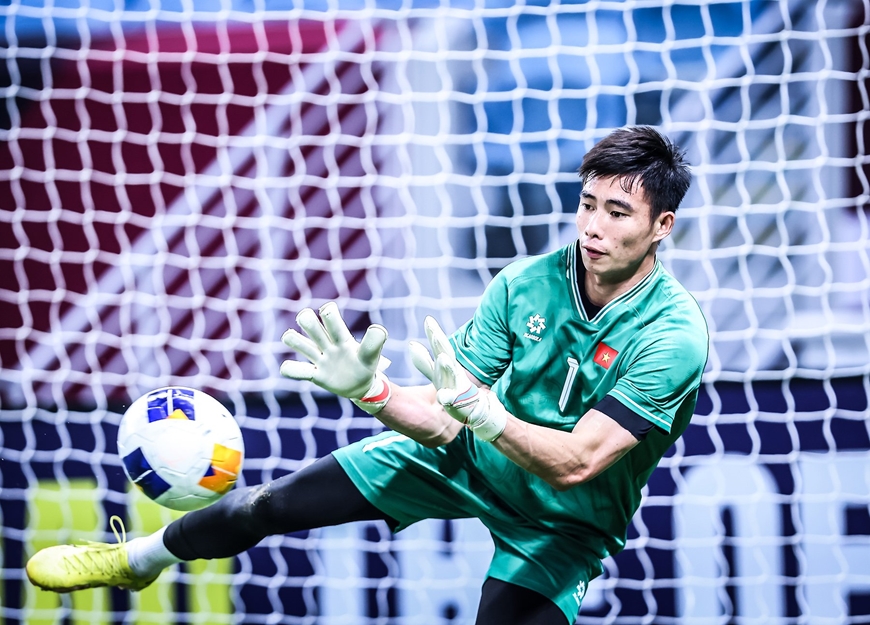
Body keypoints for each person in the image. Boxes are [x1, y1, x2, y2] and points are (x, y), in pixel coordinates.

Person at [26, 125, 708, 625]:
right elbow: (440, 420)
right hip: (467, 456)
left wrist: (485, 414)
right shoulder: (524, 284)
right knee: (265, 505)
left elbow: (578, 463)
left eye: (617, 213)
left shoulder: (673, 335)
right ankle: (137, 560)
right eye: (587, 203)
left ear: (661, 226)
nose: (592, 226)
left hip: (561, 523)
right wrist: (372, 392)